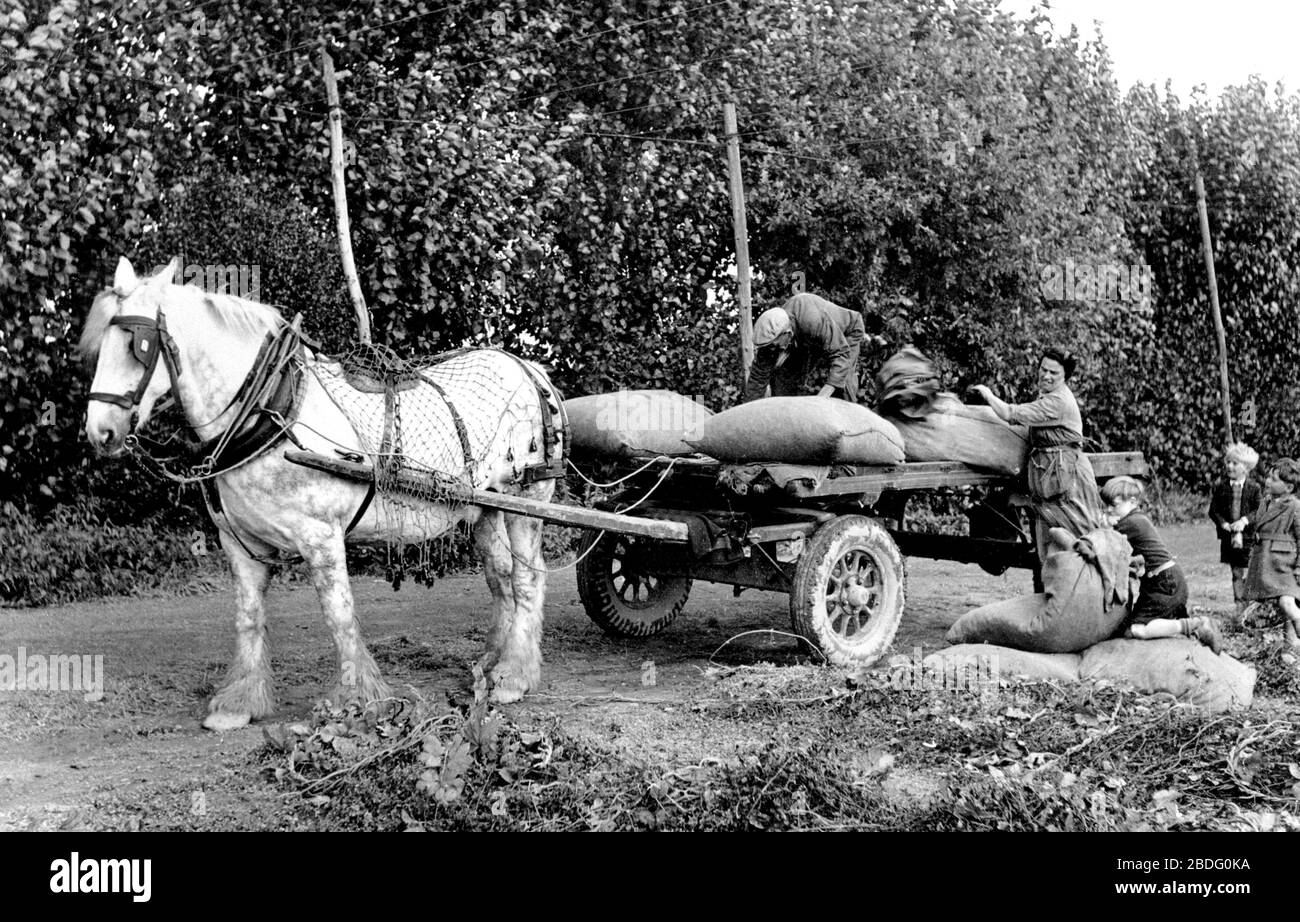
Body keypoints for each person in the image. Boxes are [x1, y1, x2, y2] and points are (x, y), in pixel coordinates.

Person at [970, 348, 1106, 562]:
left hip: (1068, 481)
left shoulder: (1057, 401)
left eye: (1054, 373)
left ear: (1065, 377)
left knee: (1078, 538)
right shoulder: (1048, 396)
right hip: (1053, 478)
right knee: (1055, 541)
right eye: (1044, 370)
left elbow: (1010, 414)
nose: (1046, 376)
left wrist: (987, 394)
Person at [1100, 476, 1222, 653]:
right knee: (1131, 626)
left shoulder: (1131, 523)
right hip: (1162, 581)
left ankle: (1195, 625)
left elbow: (1108, 542)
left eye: (1115, 505)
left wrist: (1105, 527)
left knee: (1138, 630)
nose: (1109, 510)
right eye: (1107, 505)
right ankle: (1191, 628)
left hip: (1164, 583)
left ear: (1132, 502)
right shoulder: (1136, 518)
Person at [743, 293, 866, 403]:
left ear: (787, 334)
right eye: (771, 347)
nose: (775, 350)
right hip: (806, 340)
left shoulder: (812, 320)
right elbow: (757, 379)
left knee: (842, 383)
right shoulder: (774, 339)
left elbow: (841, 354)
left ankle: (848, 425)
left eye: (776, 346)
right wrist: (748, 414)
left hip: (847, 332)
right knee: (784, 382)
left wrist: (820, 400)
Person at [1243, 457, 1300, 650]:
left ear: (1289, 488)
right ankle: (1288, 646)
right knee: (1268, 604)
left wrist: (1299, 568)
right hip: (1263, 559)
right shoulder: (1265, 502)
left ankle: (1297, 627)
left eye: (1274, 479)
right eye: (1268, 477)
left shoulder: (1294, 506)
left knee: (1286, 601)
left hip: (1283, 563)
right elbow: (1258, 530)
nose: (1268, 482)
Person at [1208, 442, 1262, 624]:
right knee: (1236, 572)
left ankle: (1252, 609)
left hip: (1248, 538)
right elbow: (1213, 510)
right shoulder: (1221, 487)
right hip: (1230, 539)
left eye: (1235, 463)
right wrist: (1223, 523)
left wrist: (1244, 521)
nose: (1229, 466)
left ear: (1246, 468)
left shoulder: (1254, 488)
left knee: (1250, 572)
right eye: (1228, 462)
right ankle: (1240, 609)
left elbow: (1259, 509)